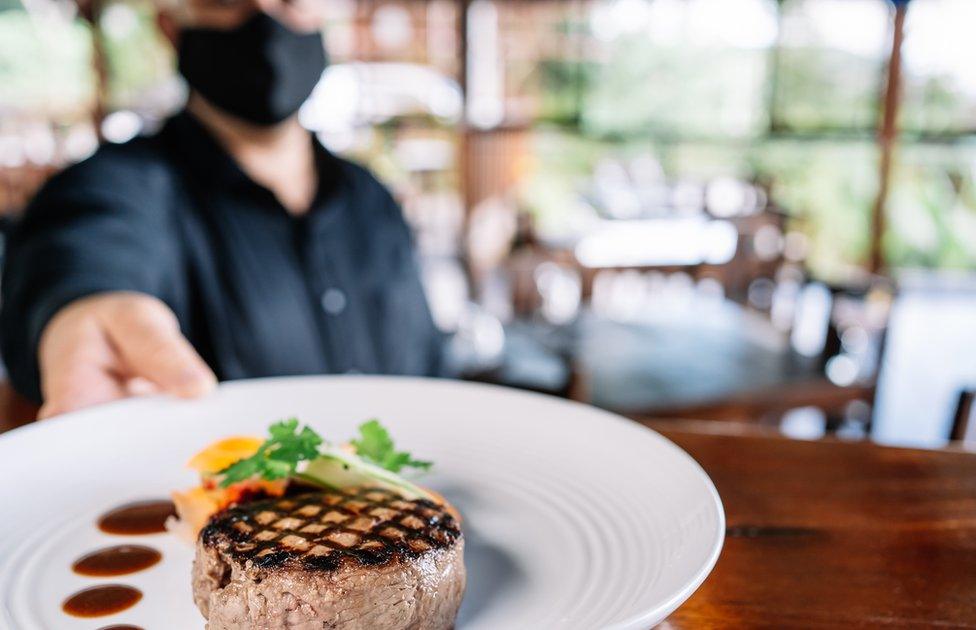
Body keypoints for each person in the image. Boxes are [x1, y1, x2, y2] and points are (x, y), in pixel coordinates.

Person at [0, 0, 444, 419]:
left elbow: (431, 367)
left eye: (290, 1)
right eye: (228, 0)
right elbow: (83, 251)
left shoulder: (372, 200)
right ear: (171, 27)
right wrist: (82, 311)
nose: (265, 23)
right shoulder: (119, 185)